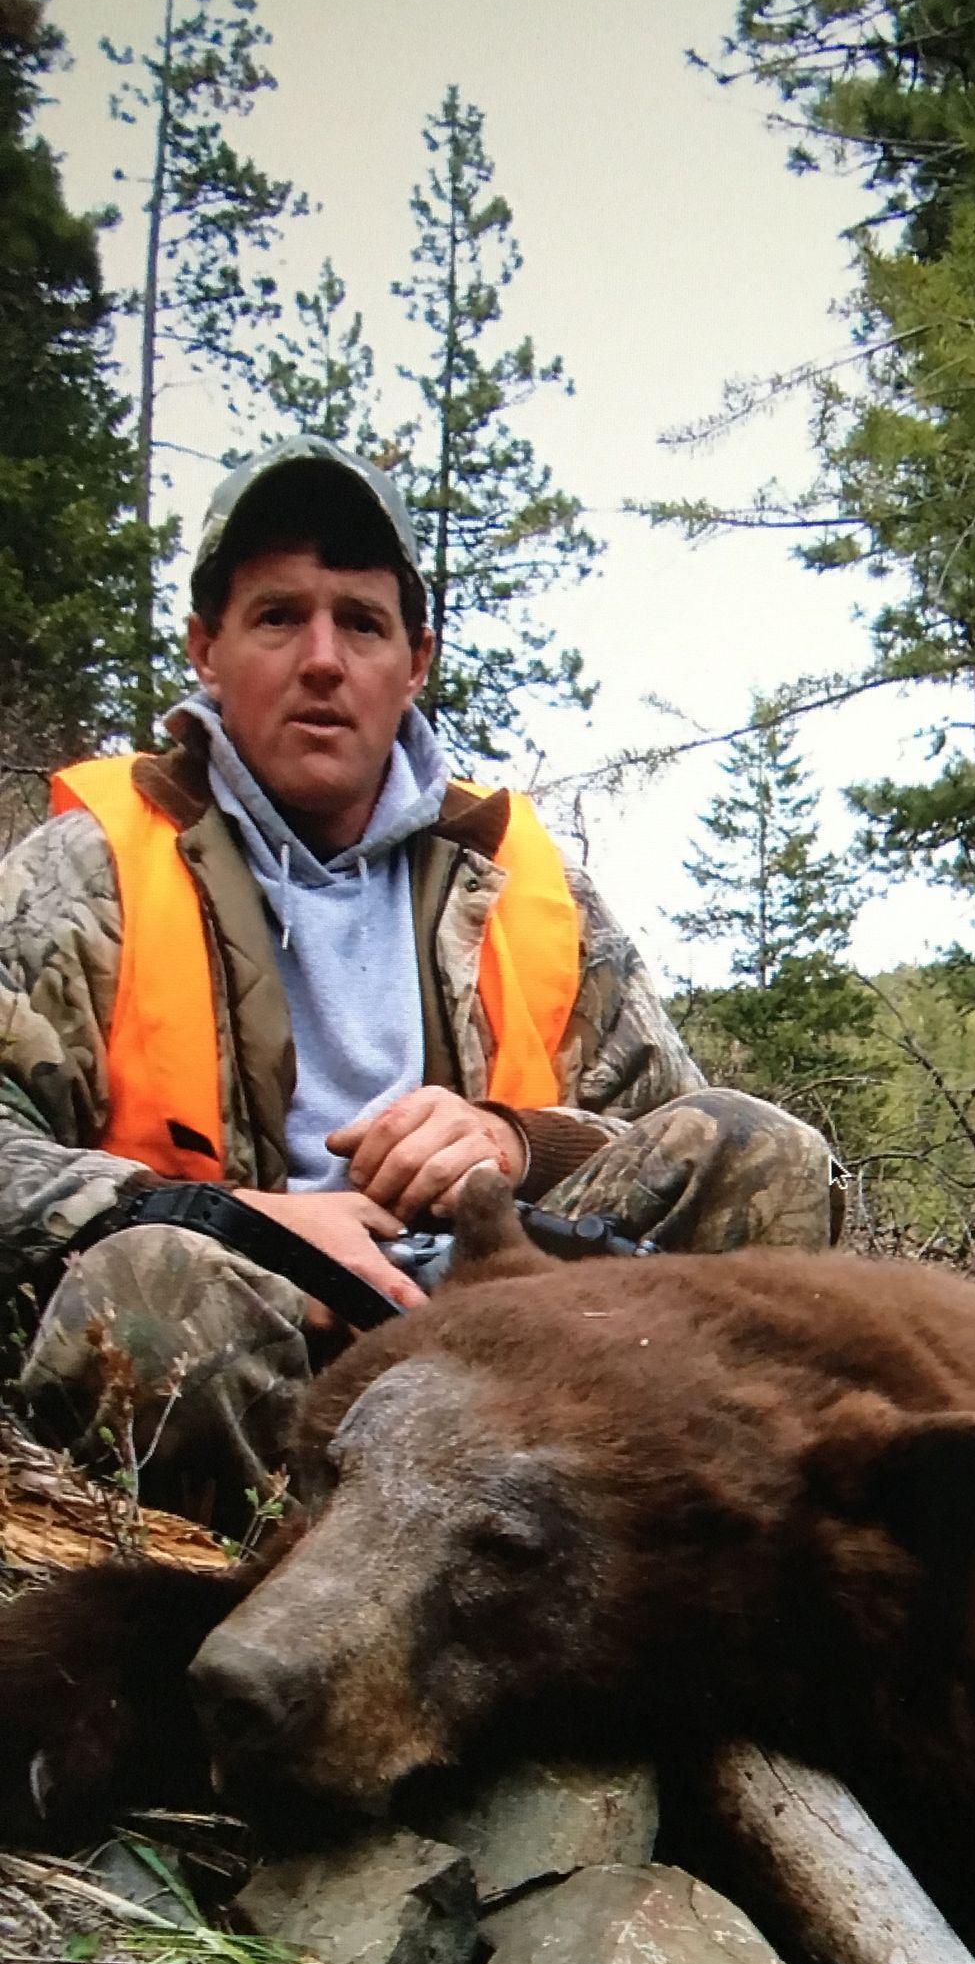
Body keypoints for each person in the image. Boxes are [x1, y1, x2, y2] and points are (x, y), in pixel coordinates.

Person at [0, 435, 836, 1526]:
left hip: (506, 1329)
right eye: (277, 616)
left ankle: (670, 1564)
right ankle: (279, 1588)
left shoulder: (527, 887)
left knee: (763, 1148)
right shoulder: (88, 871)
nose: (322, 658)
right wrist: (237, 1218)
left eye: (360, 621)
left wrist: (515, 1142)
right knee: (152, 1294)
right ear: (207, 649)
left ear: (416, 660)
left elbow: (660, 1126)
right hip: (258, 1335)